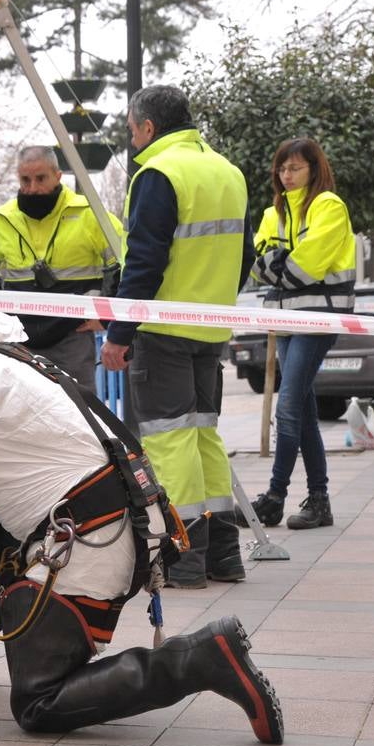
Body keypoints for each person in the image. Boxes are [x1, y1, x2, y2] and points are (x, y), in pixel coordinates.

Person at [0, 282, 284, 743]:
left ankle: (200, 658)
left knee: (39, 702)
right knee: (3, 539)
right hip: (109, 527)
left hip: (85, 538)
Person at [99, 85, 255, 588]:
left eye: (132, 130)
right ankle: (223, 555)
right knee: (204, 435)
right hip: (211, 328)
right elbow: (244, 254)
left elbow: (144, 261)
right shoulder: (227, 172)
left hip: (163, 329)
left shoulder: (159, 173)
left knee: (169, 442)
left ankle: (182, 556)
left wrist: (119, 334)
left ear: (146, 127)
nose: (132, 139)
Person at [246, 138, 355, 530]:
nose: (286, 175)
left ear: (314, 169)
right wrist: (281, 263)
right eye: (282, 169)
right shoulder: (271, 212)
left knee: (289, 406)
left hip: (319, 318)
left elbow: (304, 268)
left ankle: (275, 496)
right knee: (303, 411)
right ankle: (320, 499)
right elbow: (256, 262)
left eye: (295, 168)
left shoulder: (329, 206)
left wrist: (279, 264)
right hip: (285, 318)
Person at [0, 146, 121, 391]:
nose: (33, 188)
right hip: (18, 342)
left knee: (81, 418)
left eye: (41, 179)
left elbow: (124, 264)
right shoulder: (3, 220)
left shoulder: (88, 214)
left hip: (72, 339)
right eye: (25, 180)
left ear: (57, 175)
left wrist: (105, 318)